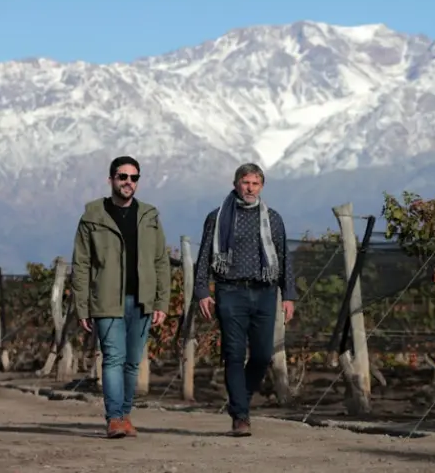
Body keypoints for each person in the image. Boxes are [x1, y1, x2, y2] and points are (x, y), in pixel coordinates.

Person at [71, 156, 170, 439]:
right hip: (106, 300)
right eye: (122, 176)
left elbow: (161, 260)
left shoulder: (149, 216)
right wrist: (82, 305)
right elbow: (81, 264)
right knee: (113, 358)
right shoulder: (92, 216)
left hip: (142, 300)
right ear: (111, 179)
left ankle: (125, 416)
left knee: (132, 362)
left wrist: (162, 301)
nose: (128, 182)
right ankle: (114, 418)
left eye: (134, 178)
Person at [194, 163, 296, 437]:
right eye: (245, 182)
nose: (250, 188)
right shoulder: (217, 218)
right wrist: (202, 291)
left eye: (255, 183)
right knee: (234, 354)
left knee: (263, 355)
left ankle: (239, 399)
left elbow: (284, 257)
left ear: (261, 186)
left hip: (265, 292)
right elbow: (204, 256)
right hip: (230, 292)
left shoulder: (273, 218)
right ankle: (240, 416)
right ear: (236, 183)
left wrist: (288, 295)